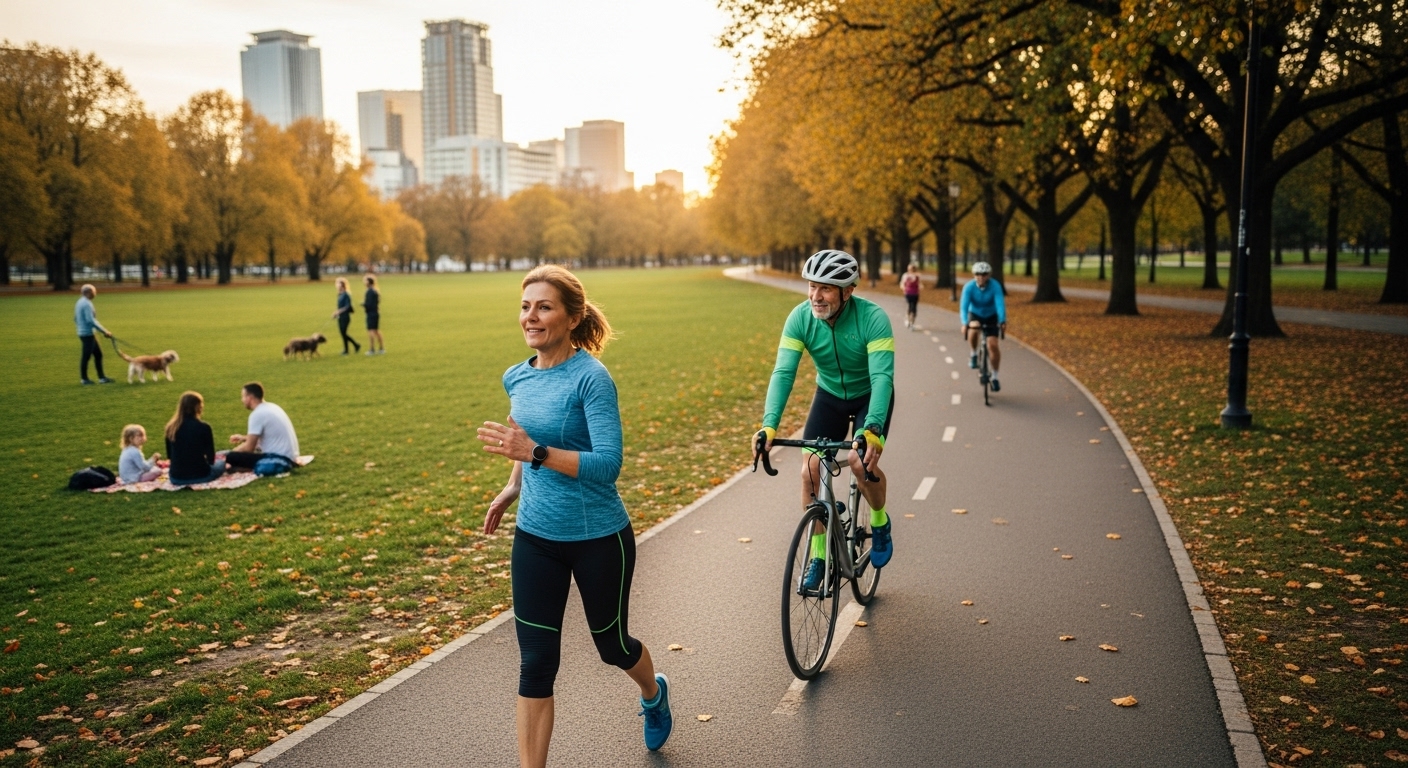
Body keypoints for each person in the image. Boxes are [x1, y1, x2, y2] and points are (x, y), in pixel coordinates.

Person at [477, 265, 673, 766]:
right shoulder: (515, 376)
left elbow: (608, 466)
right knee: (536, 664)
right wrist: (511, 486)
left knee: (612, 646)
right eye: (525, 306)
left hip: (598, 537)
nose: (531, 317)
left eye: (544, 307)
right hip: (536, 537)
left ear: (572, 317)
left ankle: (652, 693)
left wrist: (535, 453)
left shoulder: (591, 379)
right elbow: (523, 435)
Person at [752, 249, 896, 594]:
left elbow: (882, 379)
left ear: (848, 291)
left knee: (861, 464)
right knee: (810, 471)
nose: (816, 296)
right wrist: (769, 425)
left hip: (868, 400)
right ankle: (818, 556)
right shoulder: (800, 318)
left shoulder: (873, 318)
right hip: (828, 397)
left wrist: (872, 428)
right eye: (812, 287)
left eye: (827, 288)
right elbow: (784, 372)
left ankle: (879, 521)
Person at [226, 382, 299, 470]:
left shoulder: (257, 414)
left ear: (249, 397)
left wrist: (230, 453)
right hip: (291, 456)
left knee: (231, 457)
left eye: (243, 396)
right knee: (235, 455)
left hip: (278, 458)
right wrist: (244, 438)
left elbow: (249, 448)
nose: (242, 400)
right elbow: (268, 436)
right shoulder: (272, 406)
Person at [959, 261, 1008, 391]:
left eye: (984, 274)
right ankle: (974, 353)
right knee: (974, 329)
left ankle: (995, 377)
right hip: (975, 313)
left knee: (993, 345)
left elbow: (1000, 304)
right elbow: (963, 307)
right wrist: (965, 323)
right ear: (974, 275)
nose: (981, 277)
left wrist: (1002, 321)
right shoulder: (968, 287)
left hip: (991, 315)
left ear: (989, 275)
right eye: (978, 274)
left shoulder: (995, 286)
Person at [165, 391, 225, 485]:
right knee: (222, 463)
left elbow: (170, 456)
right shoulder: (203, 427)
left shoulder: (171, 428)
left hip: (176, 478)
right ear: (197, 407)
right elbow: (210, 457)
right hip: (201, 475)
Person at [75, 284, 114, 385]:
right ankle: (84, 379)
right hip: (87, 334)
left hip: (85, 332)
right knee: (86, 356)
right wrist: (105, 331)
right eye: (94, 291)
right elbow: (91, 320)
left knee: (98, 354)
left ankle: (101, 377)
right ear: (89, 292)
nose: (95, 293)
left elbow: (75, 318)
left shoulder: (79, 302)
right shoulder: (86, 304)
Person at [331, 278, 361, 355]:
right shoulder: (340, 294)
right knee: (342, 333)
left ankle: (354, 345)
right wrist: (336, 313)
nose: (337, 285)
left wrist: (338, 312)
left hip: (345, 317)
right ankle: (348, 349)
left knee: (344, 333)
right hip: (340, 317)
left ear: (343, 285)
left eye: (338, 283)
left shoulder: (346, 294)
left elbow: (347, 306)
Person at [362, 274, 384, 355]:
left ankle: (372, 349)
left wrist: (364, 305)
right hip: (375, 312)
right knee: (376, 331)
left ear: (368, 282)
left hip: (371, 313)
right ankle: (381, 348)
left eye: (365, 281)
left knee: (371, 331)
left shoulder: (369, 292)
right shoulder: (375, 291)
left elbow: (369, 304)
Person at [901, 262, 922, 330]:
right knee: (913, 307)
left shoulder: (906, 275)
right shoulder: (916, 276)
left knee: (911, 307)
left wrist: (904, 289)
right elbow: (920, 285)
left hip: (910, 293)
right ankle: (911, 322)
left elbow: (902, 284)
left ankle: (909, 320)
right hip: (912, 293)